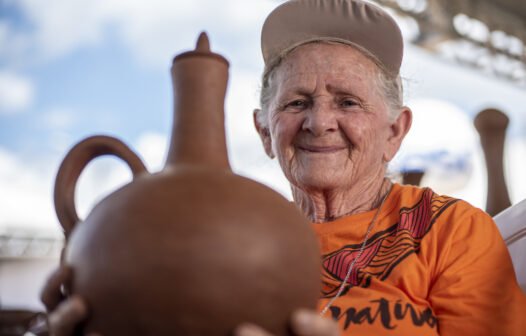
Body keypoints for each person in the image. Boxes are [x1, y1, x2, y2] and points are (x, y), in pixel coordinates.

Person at [41, 0, 526, 335]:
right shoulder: (226, 233)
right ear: (264, 132)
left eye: (348, 101)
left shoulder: (451, 232)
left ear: (394, 133)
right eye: (297, 102)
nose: (319, 122)